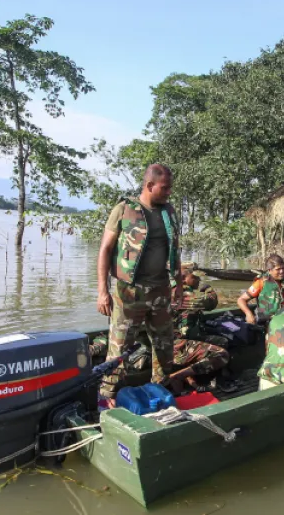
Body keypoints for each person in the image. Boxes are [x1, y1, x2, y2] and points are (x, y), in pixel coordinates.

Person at [96, 164, 182, 409]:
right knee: (119, 346)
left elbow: (174, 249)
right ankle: (107, 397)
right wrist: (102, 291)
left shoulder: (169, 212)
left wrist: (177, 284)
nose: (168, 193)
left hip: (161, 290)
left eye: (170, 188)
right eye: (165, 188)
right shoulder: (124, 210)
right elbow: (105, 250)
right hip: (129, 293)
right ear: (149, 185)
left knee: (164, 343)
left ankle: (160, 389)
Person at [168, 263, 230, 391]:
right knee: (222, 348)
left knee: (218, 339)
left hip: (182, 338)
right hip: (176, 345)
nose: (198, 279)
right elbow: (210, 302)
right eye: (194, 277)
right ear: (184, 279)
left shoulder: (172, 290)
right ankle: (182, 377)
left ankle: (199, 380)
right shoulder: (182, 294)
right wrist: (207, 288)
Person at [237, 254, 284, 324]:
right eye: (278, 269)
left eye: (283, 268)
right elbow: (241, 300)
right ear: (270, 270)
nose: (282, 271)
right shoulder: (261, 282)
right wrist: (248, 314)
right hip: (268, 319)